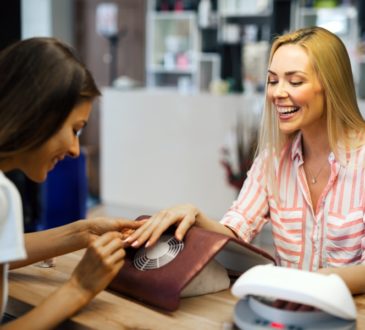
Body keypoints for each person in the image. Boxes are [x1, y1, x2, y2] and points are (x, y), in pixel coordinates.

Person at [125, 26, 365, 295]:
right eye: (273, 81)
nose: (277, 93)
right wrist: (195, 216)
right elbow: (236, 232)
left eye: (295, 81)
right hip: (284, 312)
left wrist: (318, 283)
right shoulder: (272, 160)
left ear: (332, 87)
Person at [0, 37, 142, 328]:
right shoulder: (3, 194)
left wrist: (81, 231)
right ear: (39, 115)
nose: (75, 150)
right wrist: (79, 288)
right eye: (75, 130)